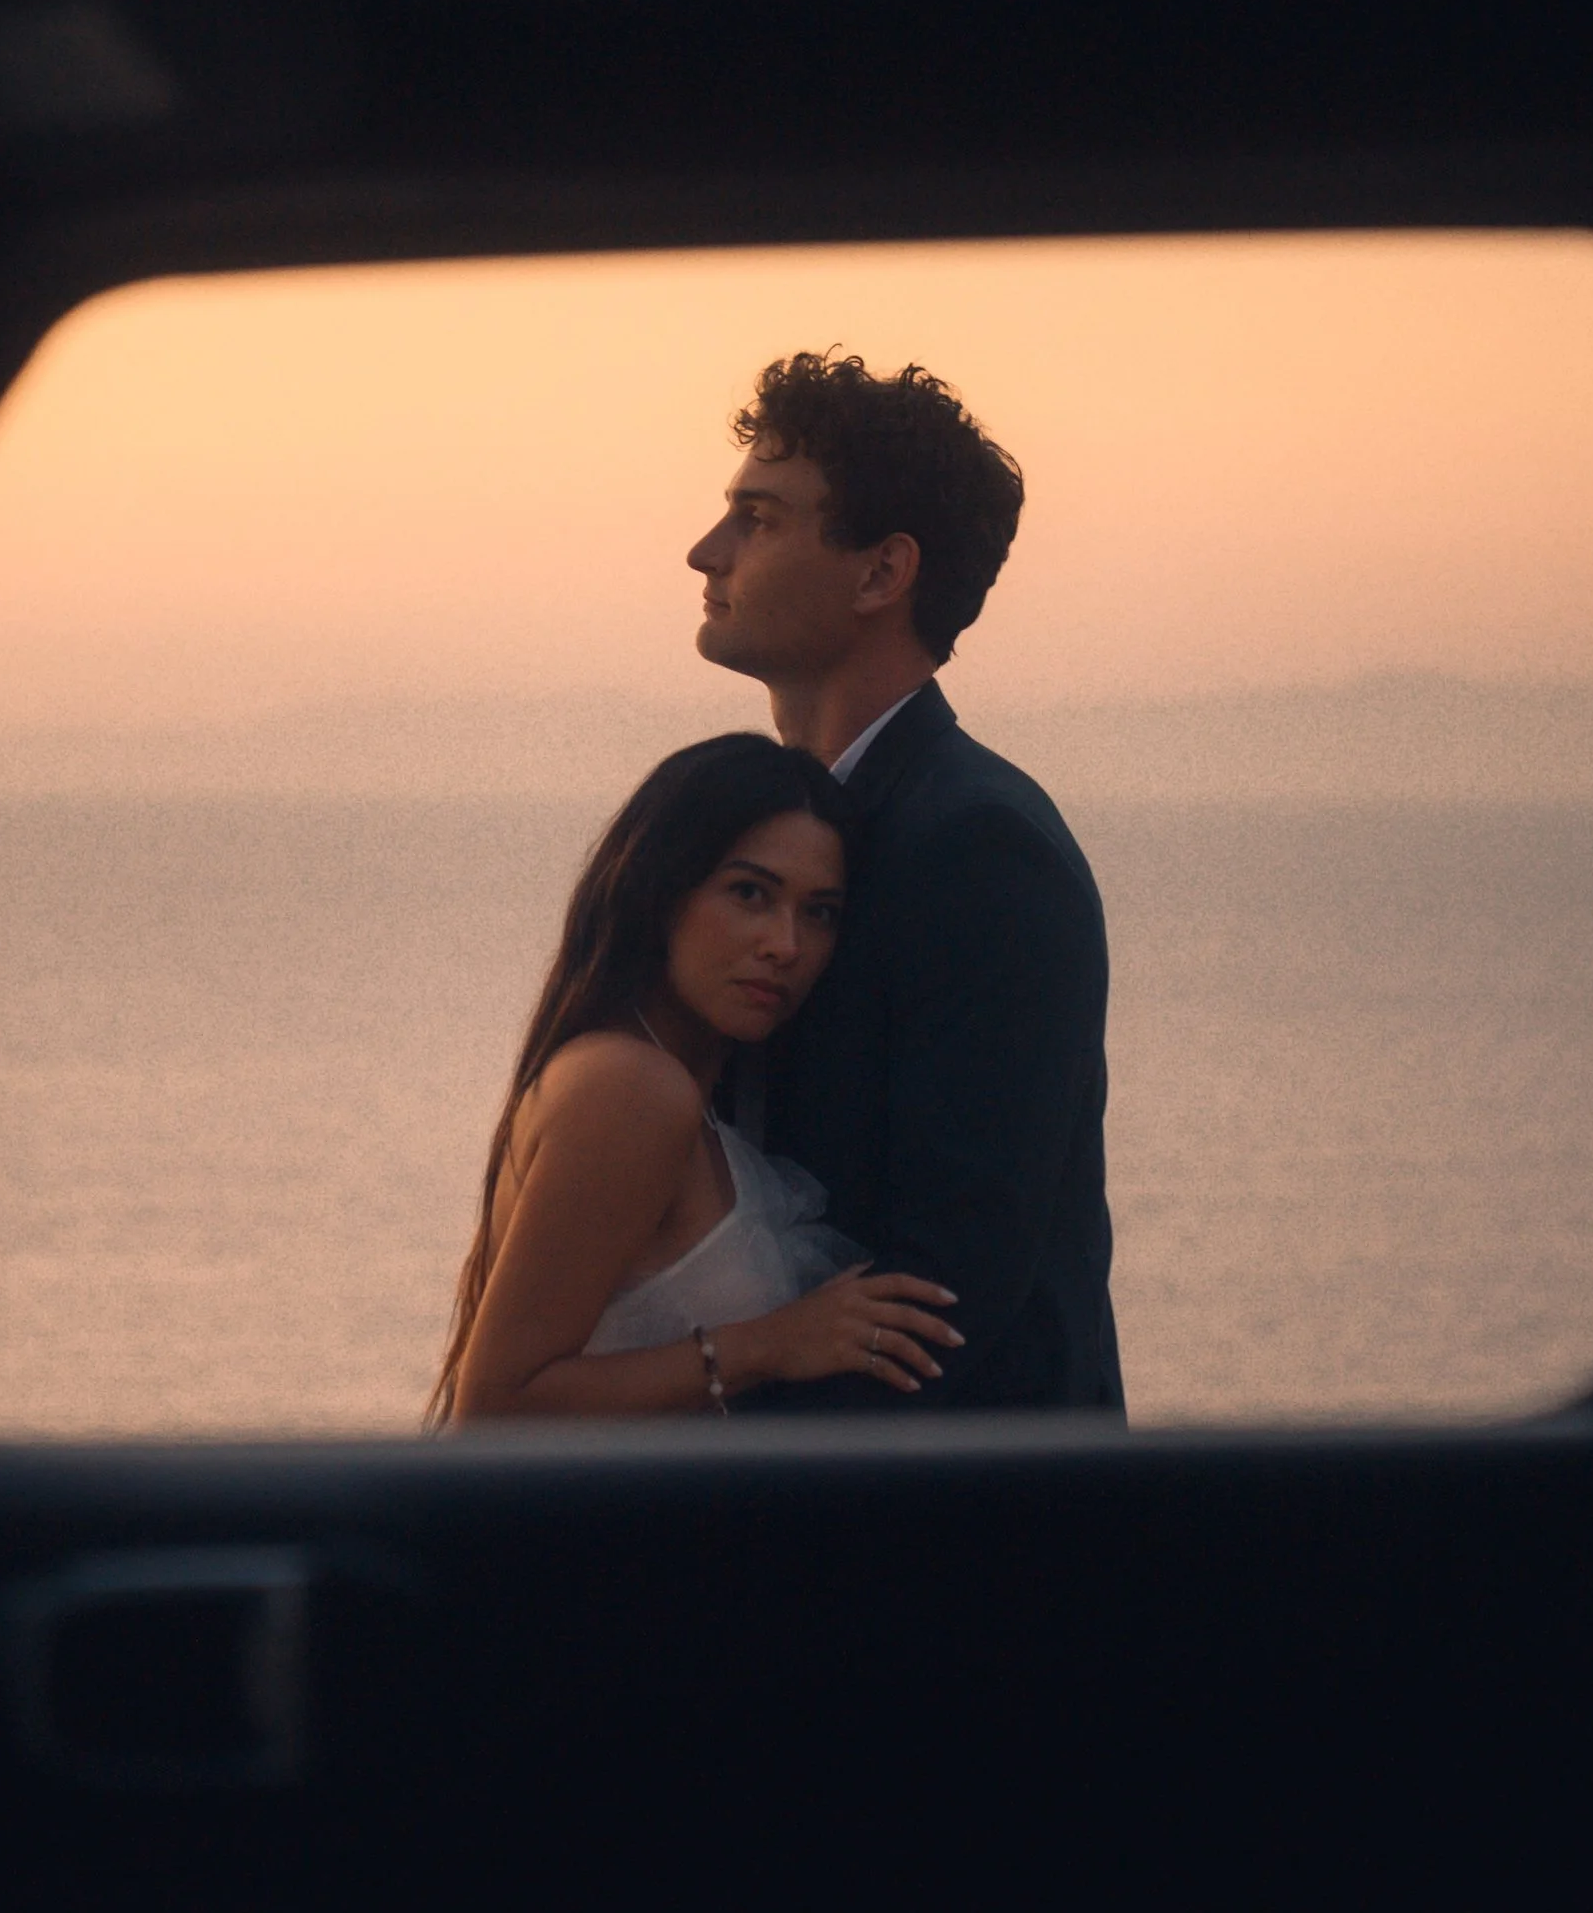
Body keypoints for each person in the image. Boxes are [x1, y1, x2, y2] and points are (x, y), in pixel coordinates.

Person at [686, 350, 1121, 1415]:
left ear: (881, 574)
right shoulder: (782, 827)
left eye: (758, 516)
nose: (703, 549)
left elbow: (942, 1293)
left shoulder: (980, 847)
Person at [431, 734, 961, 1423]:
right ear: (659, 889)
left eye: (819, 912)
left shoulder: (680, 1084)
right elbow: (495, 1408)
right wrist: (771, 1342)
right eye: (750, 893)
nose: (786, 945)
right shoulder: (631, 1087)